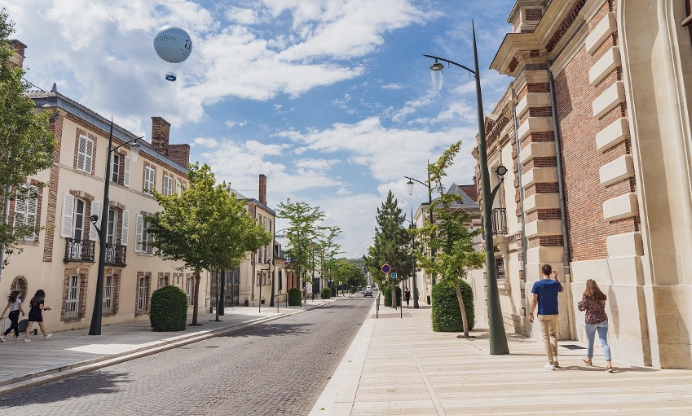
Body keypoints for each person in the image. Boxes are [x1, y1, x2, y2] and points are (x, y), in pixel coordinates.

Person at [530, 264, 564, 370]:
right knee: (553, 335)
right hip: (554, 313)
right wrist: (556, 278)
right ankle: (555, 359)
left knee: (546, 338)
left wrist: (531, 313)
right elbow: (562, 290)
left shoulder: (537, 284)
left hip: (543, 314)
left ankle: (550, 363)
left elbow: (534, 301)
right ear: (550, 272)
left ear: (542, 271)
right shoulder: (555, 284)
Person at [578, 279, 614, 372]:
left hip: (590, 320)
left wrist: (579, 304)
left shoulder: (586, 296)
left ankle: (589, 359)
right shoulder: (602, 296)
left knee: (590, 341)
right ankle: (609, 363)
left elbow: (582, 307)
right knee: (604, 342)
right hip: (602, 319)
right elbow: (602, 307)